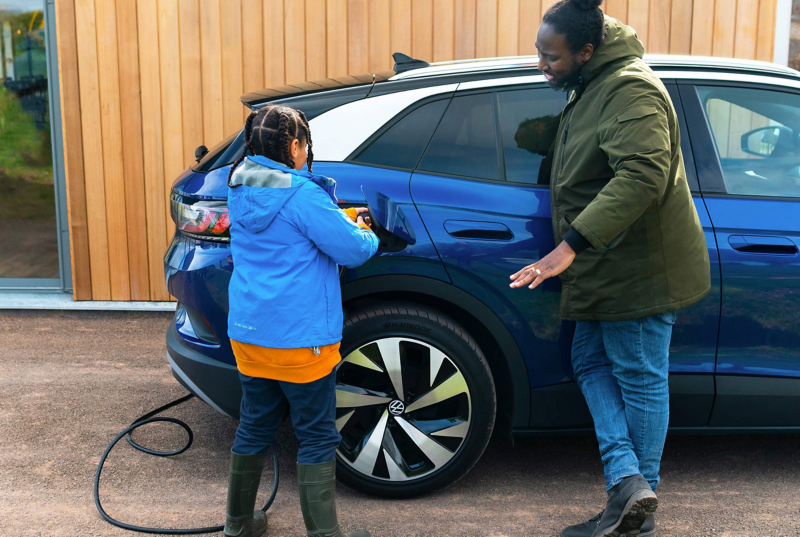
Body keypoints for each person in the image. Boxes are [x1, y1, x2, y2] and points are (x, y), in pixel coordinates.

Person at [509, 1, 711, 536]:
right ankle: (628, 483)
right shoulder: (593, 82)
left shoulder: (630, 87)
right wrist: (542, 135)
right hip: (609, 263)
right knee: (589, 359)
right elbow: (598, 147)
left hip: (639, 266)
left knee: (640, 378)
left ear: (585, 51)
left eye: (550, 57)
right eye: (538, 52)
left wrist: (570, 245)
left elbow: (642, 173)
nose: (541, 65)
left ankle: (636, 506)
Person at [222, 104, 378, 537]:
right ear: (294, 146)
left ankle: (237, 526)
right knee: (315, 436)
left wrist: (330, 218)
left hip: (250, 336)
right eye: (304, 143)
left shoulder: (237, 184)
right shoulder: (303, 194)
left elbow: (286, 231)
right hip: (300, 341)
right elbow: (354, 250)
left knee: (254, 425)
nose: (305, 150)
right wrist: (364, 228)